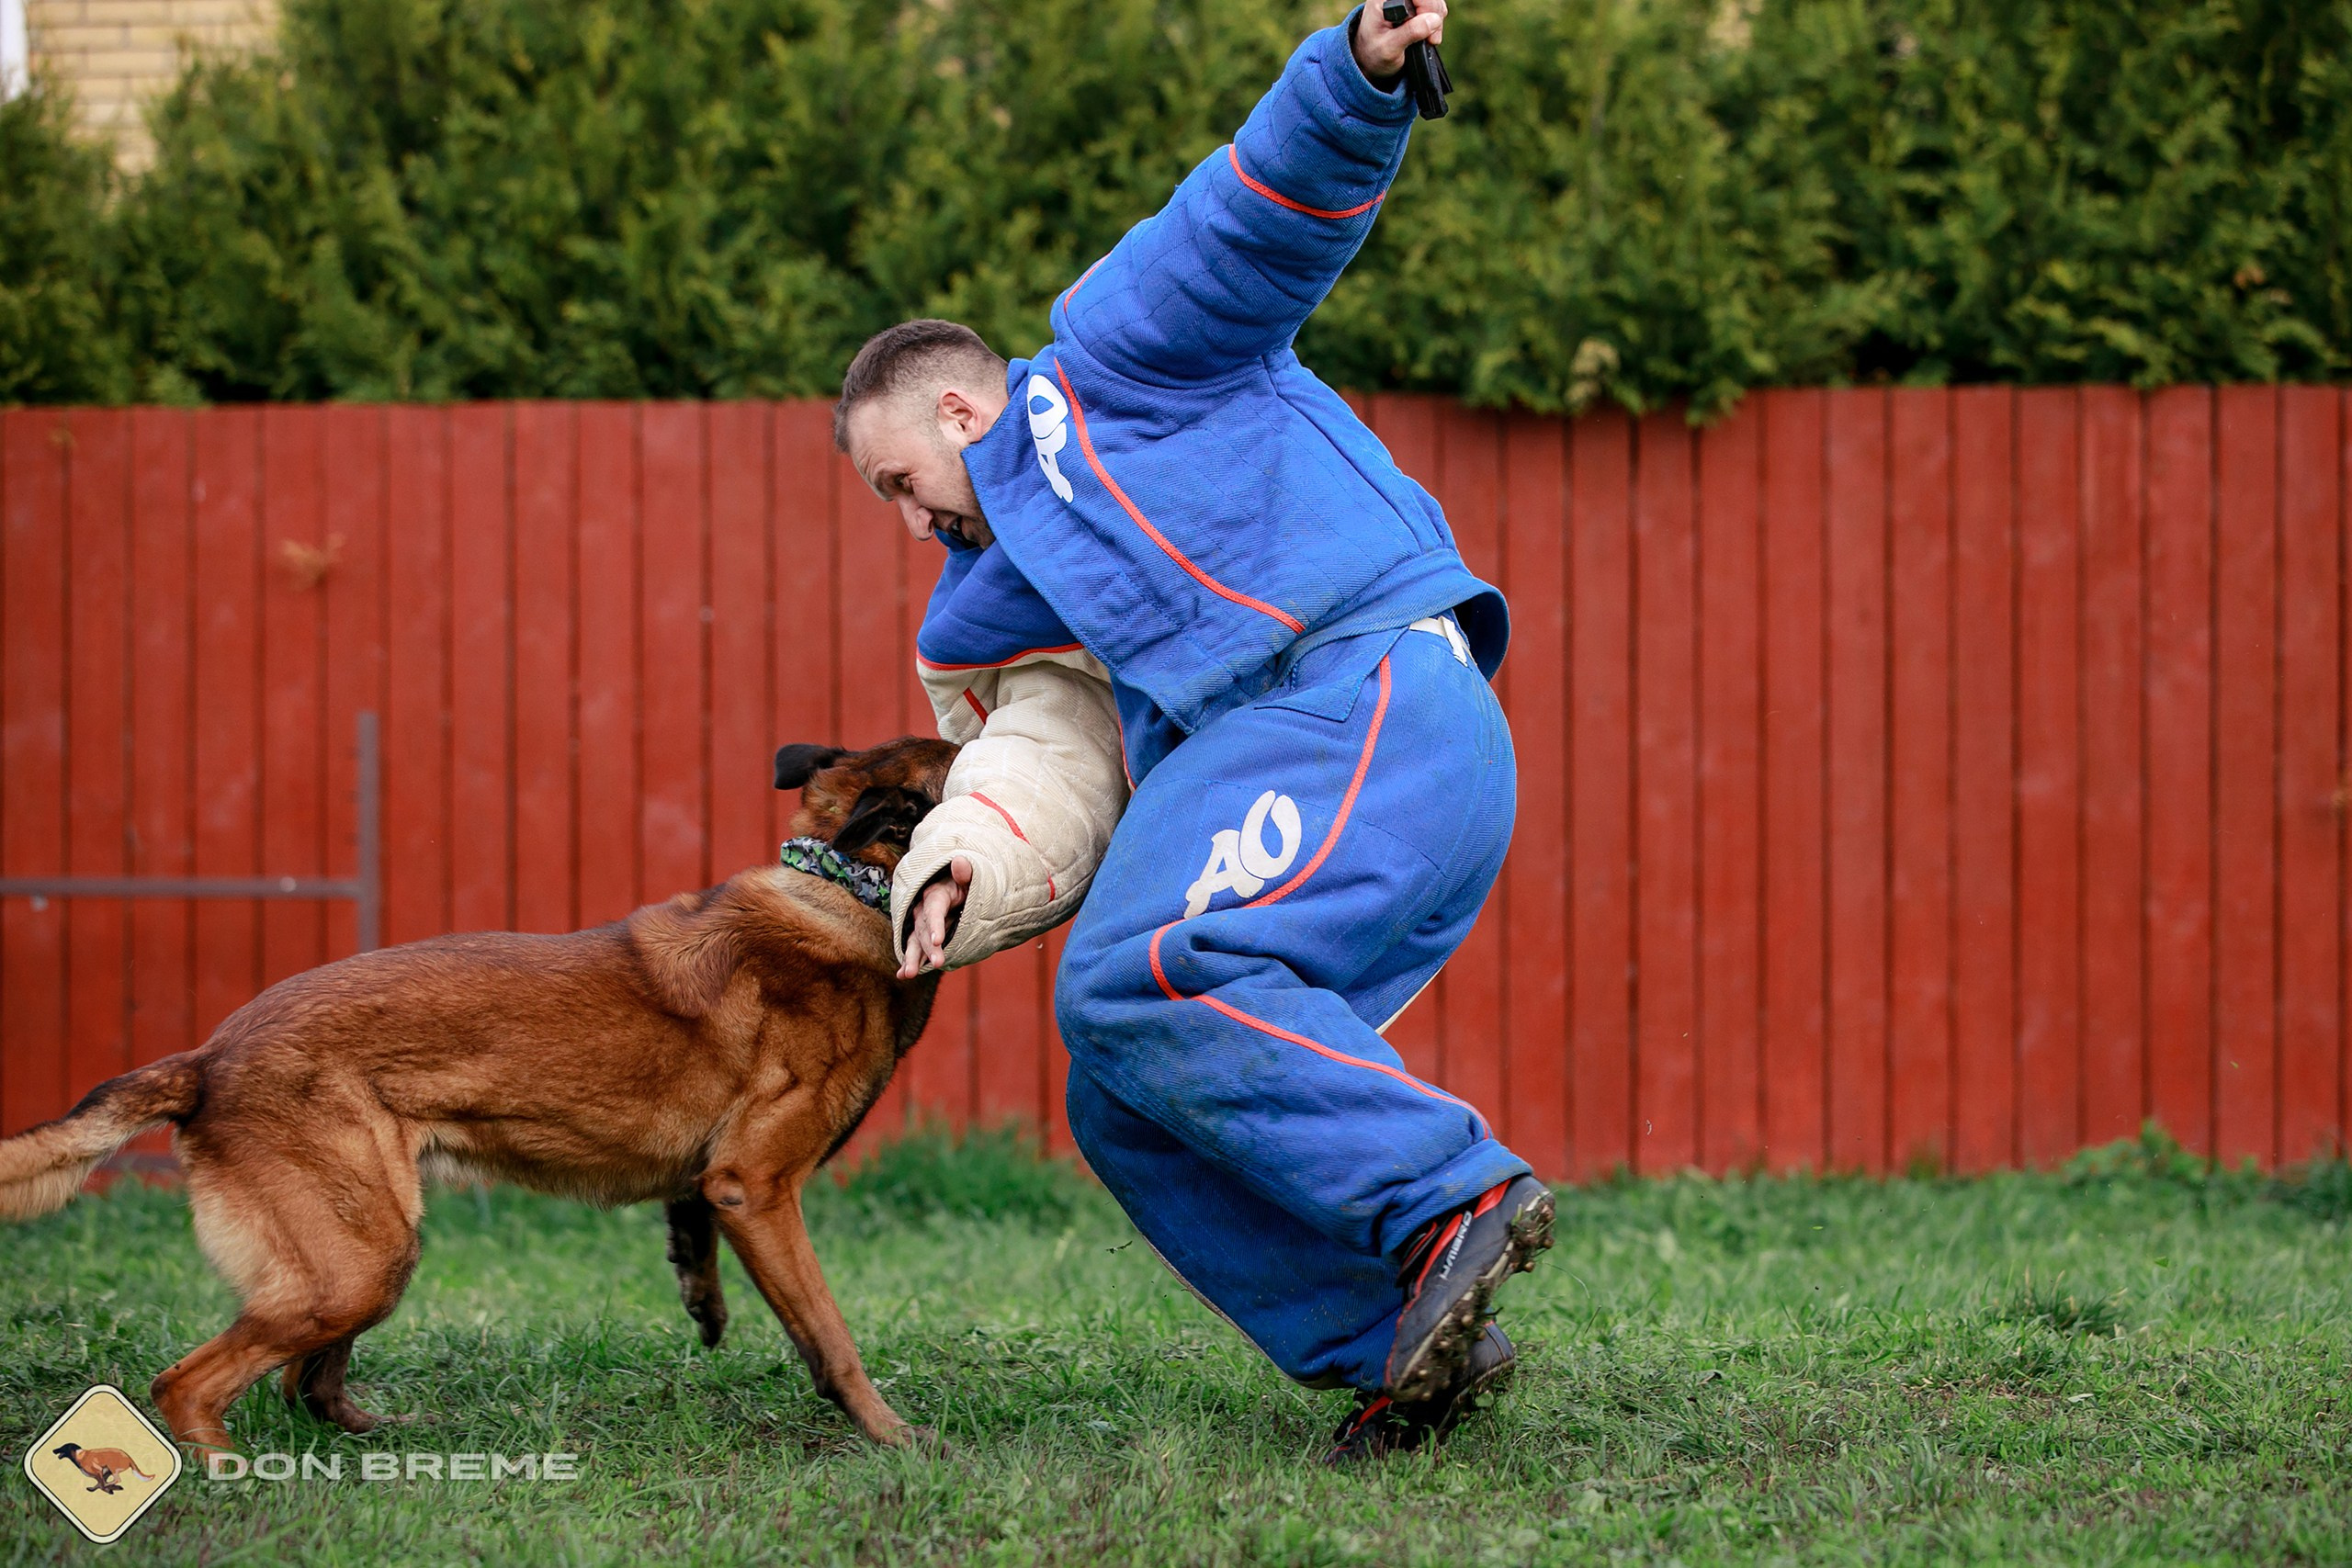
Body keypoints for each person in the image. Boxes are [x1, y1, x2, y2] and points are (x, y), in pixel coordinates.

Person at [831, 0, 1551, 1463]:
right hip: (1299, 755)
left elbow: (1247, 221)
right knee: (1121, 1089)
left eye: (900, 483)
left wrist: (1355, 71)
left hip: (1366, 693)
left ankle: (1447, 1194)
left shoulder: (1116, 366)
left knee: (1136, 970)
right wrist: (966, 858)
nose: (908, 524)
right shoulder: (991, 611)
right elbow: (1047, 756)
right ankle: (1404, 1337)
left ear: (960, 410)